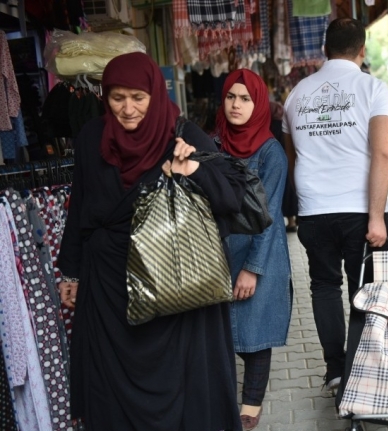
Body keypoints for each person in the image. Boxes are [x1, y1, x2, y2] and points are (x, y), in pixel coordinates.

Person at [56, 52, 246, 431]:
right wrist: (71, 271)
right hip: (109, 290)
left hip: (175, 287)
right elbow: (79, 206)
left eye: (138, 97)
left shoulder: (183, 134)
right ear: (105, 97)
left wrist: (192, 169)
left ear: (154, 93)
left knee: (184, 388)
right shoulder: (92, 137)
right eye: (117, 97)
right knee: (112, 391)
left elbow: (234, 197)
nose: (127, 109)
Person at [282, 17, 388, 392]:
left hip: (313, 210)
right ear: (362, 50)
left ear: (324, 49)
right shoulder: (373, 89)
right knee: (364, 289)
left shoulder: (296, 95)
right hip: (360, 211)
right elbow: (382, 154)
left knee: (324, 286)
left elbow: (293, 158)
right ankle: (363, 368)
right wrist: (377, 217)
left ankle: (335, 370)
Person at [216, 69, 293, 431]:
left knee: (255, 333)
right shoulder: (215, 144)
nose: (236, 104)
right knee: (223, 334)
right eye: (231, 96)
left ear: (258, 103)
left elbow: (271, 216)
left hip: (257, 252)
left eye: (245, 98)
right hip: (220, 252)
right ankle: (222, 399)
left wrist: (252, 268)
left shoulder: (271, 152)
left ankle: (251, 405)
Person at [270, 100, 299, 231]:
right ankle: (292, 221)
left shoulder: (270, 126)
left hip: (276, 163)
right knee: (290, 192)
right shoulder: (284, 124)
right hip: (288, 161)